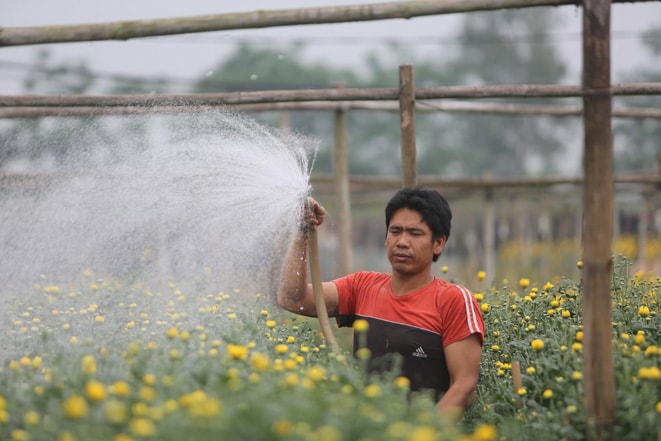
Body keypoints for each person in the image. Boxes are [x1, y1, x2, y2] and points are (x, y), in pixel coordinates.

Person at [276, 186, 484, 419]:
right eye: (395, 231)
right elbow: (292, 298)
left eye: (415, 233)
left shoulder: (453, 300)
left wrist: (423, 433)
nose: (402, 241)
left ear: (438, 243)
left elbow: (464, 386)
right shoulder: (362, 286)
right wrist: (302, 231)